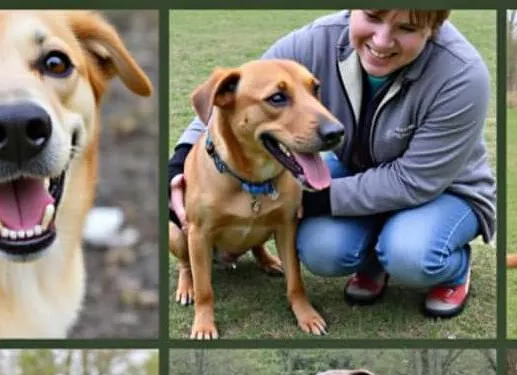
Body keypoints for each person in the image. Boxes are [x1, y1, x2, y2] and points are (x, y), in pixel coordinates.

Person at [168, 8, 496, 318]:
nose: (381, 41)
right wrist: (178, 163)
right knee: (323, 251)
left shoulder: (462, 73)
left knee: (411, 254)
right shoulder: (316, 41)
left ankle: (452, 269)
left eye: (406, 28)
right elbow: (233, 101)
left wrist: (308, 198)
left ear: (433, 28)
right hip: (360, 172)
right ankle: (377, 254)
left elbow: (415, 181)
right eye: (372, 16)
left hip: (445, 188)